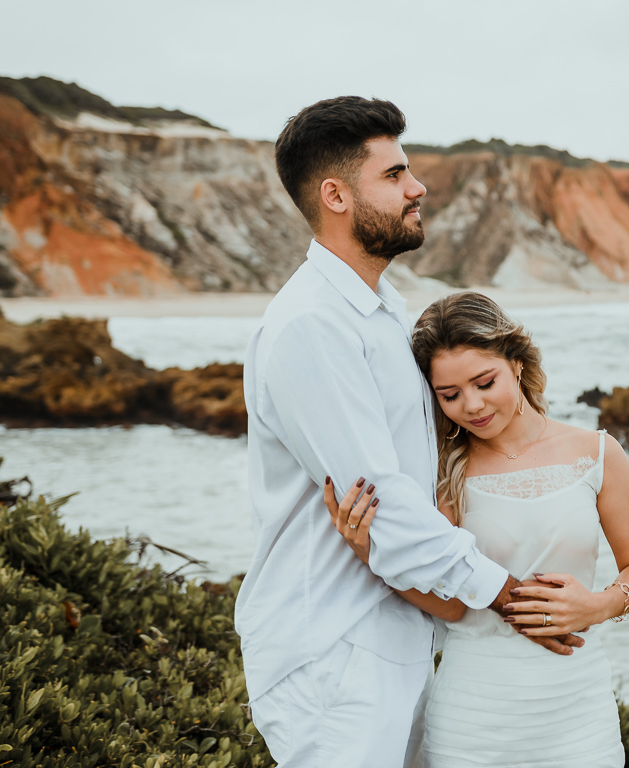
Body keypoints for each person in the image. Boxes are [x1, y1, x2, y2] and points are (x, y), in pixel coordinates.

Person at [235, 97, 580, 768]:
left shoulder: (386, 315)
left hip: (401, 632)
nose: (416, 187)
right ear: (336, 195)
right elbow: (383, 505)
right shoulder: (312, 326)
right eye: (393, 176)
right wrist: (511, 597)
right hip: (332, 650)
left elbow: (435, 465)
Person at [326, 291, 629, 767]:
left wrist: (599, 604)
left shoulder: (599, 453)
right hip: (475, 715)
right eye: (450, 395)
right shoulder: (441, 470)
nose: (473, 405)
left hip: (578, 710)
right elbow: (456, 606)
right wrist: (372, 556)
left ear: (517, 363)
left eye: (485, 382)